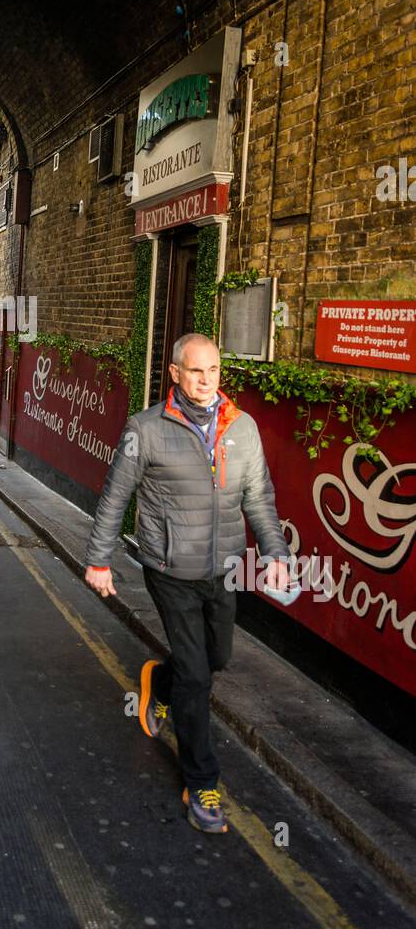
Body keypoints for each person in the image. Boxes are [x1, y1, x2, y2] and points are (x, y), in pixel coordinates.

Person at [83, 333, 290, 834]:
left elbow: (259, 497)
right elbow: (116, 496)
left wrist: (275, 552)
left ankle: (160, 681)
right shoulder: (145, 430)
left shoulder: (242, 428)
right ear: (175, 373)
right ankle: (202, 782)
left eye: (214, 370)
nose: (206, 380)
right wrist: (99, 560)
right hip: (170, 567)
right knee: (198, 676)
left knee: (216, 659)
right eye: (196, 371)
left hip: (223, 569)